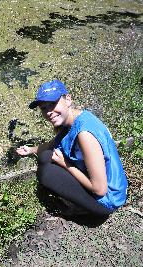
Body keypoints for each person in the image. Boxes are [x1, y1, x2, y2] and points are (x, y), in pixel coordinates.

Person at [16, 80, 128, 218]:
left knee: (47, 173)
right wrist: (31, 150)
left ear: (68, 99)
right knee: (46, 156)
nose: (49, 112)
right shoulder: (72, 120)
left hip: (107, 200)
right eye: (44, 108)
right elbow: (52, 143)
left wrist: (66, 164)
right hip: (99, 183)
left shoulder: (84, 134)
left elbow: (99, 190)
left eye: (53, 104)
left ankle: (81, 209)